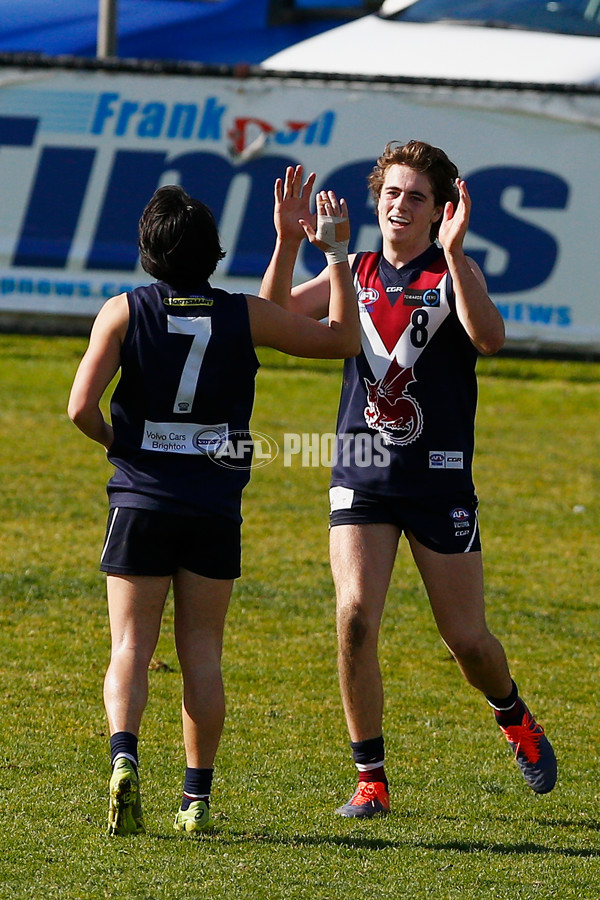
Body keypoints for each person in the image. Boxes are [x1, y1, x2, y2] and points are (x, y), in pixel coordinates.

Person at [260, 140, 557, 818]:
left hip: (440, 480)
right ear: (377, 199)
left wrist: (454, 255)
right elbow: (272, 319)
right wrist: (286, 243)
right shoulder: (353, 268)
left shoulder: (453, 271)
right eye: (392, 192)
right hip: (361, 472)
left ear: (439, 209)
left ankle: (513, 716)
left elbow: (492, 339)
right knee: (356, 616)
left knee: (468, 641)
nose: (400, 205)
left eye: (416, 196)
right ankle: (371, 780)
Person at [68, 183, 359, 836]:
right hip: (212, 507)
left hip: (140, 499)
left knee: (130, 648)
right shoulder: (242, 316)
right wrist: (334, 254)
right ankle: (195, 801)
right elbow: (342, 339)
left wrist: (127, 445)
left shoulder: (122, 311)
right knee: (202, 651)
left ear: (147, 250)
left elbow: (79, 409)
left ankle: (124, 759)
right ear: (214, 254)